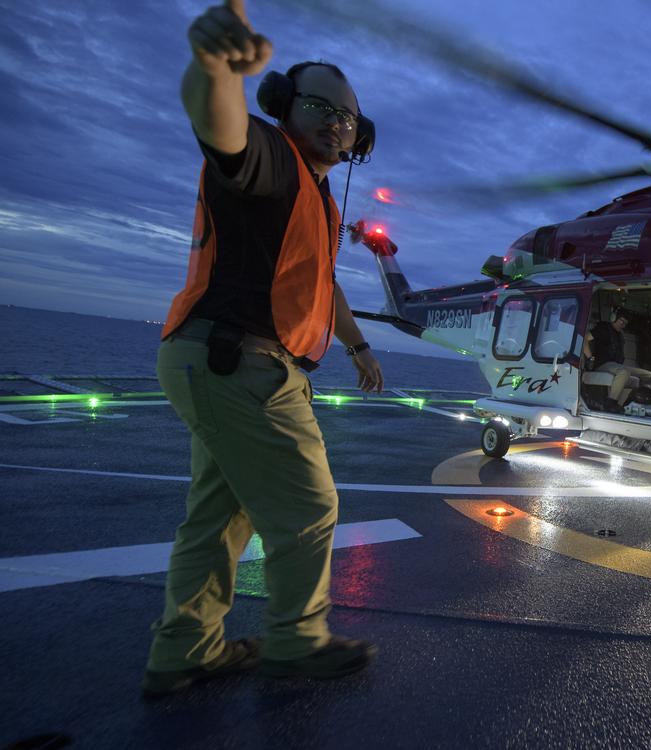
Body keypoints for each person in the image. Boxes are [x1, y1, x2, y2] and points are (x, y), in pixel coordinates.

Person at [142, 0, 381, 698]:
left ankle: (185, 651)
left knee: (220, 517)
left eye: (348, 118)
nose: (337, 124)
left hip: (217, 361)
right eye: (321, 107)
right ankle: (297, 642)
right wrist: (213, 69)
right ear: (283, 105)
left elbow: (322, 284)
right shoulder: (270, 158)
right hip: (240, 361)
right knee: (308, 509)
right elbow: (222, 131)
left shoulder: (313, 193)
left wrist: (358, 345)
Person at [584, 309, 651, 413]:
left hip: (616, 365)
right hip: (602, 364)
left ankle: (635, 400)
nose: (623, 325)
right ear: (614, 318)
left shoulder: (619, 335)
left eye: (625, 323)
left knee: (649, 375)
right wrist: (590, 357)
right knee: (624, 373)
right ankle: (610, 403)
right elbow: (585, 338)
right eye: (621, 321)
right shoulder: (603, 329)